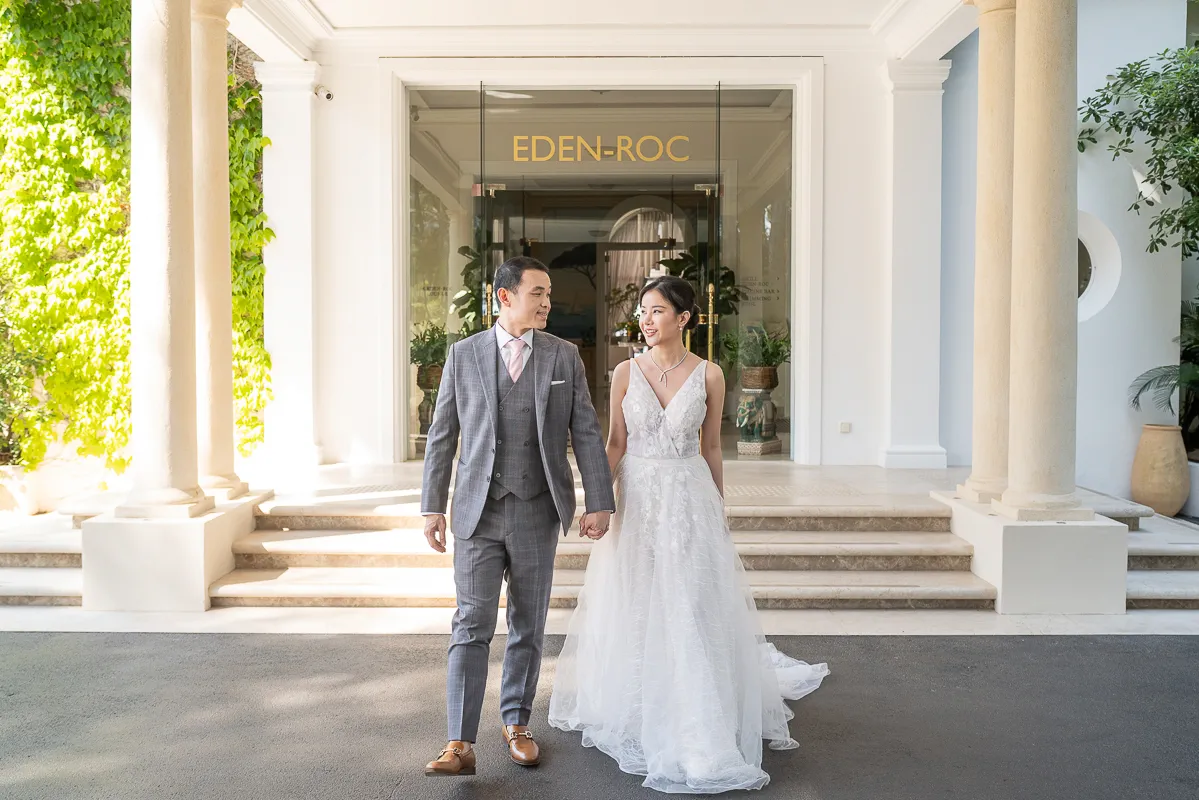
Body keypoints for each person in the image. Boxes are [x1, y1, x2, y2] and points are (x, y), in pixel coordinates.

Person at [548, 275, 828, 793]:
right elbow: (614, 442)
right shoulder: (625, 372)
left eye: (656, 311)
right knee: (637, 598)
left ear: (684, 319)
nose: (646, 321)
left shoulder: (711, 375)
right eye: (642, 312)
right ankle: (637, 704)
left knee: (688, 602)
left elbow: (712, 448)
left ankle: (698, 719)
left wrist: (717, 507)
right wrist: (598, 501)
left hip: (689, 498)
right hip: (637, 497)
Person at [420, 256, 615, 777]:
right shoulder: (463, 355)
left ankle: (517, 724)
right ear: (504, 297)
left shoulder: (563, 356)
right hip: (477, 513)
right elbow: (443, 435)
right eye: (538, 293)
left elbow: (587, 432)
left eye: (549, 293)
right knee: (471, 622)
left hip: (537, 510)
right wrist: (432, 505)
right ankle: (459, 742)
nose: (548, 302)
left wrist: (599, 499)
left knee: (528, 625)